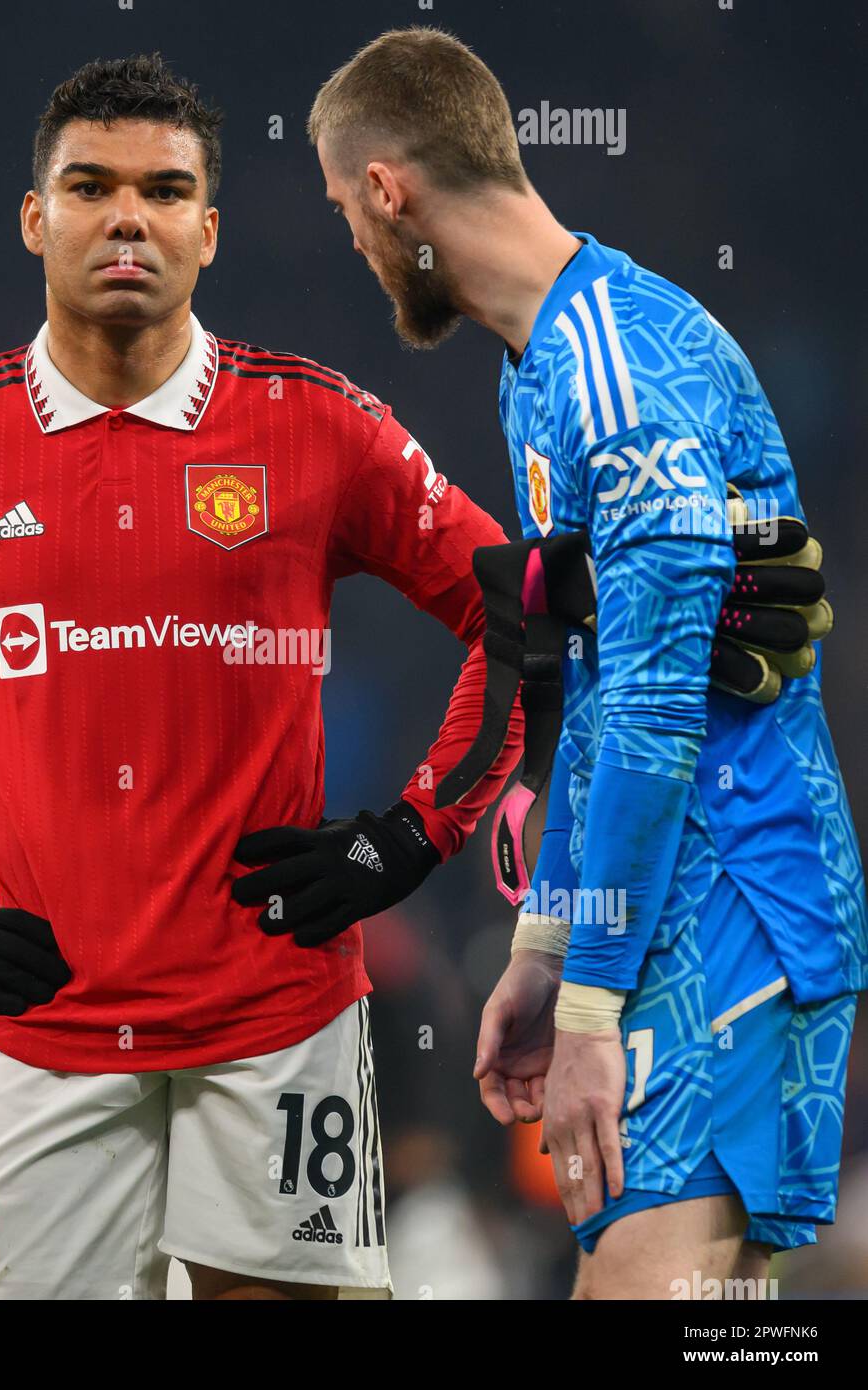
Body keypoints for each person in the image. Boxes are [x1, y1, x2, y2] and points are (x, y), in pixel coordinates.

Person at [0, 54, 526, 1301]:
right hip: (47, 1034)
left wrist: (412, 836)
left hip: (280, 1026)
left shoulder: (319, 425)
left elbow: (520, 613)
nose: (126, 218)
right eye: (89, 185)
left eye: (163, 190)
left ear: (206, 230)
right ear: (35, 218)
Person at [308, 27, 865, 1299]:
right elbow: (599, 691)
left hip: (733, 905)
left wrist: (589, 1009)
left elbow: (665, 708)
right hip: (675, 905)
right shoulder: (539, 369)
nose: (350, 242)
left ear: (389, 191)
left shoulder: (614, 377)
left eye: (346, 211)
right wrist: (543, 942)